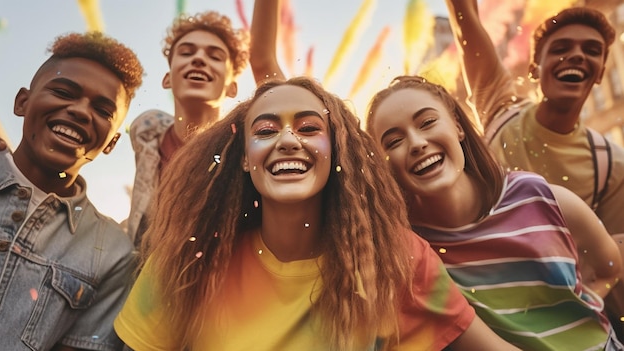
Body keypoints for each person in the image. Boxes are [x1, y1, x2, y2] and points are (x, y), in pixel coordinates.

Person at [114, 76, 520, 351]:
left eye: (309, 128)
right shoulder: (189, 260)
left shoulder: (397, 259)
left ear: (337, 151)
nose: (288, 140)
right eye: (267, 131)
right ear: (243, 159)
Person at [366, 75, 623, 350]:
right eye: (393, 141)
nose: (417, 143)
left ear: (457, 126)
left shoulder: (537, 196)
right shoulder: (408, 250)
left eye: (427, 122)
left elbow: (609, 266)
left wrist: (579, 311)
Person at [444, 1, 624, 337]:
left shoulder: (610, 165)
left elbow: (613, 263)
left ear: (601, 71)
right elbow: (463, 19)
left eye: (592, 50)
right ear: (533, 68)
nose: (577, 56)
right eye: (560, 48)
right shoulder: (500, 110)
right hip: (474, 317)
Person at [0, 32, 143, 350]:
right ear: (22, 102)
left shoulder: (112, 253)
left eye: (104, 111)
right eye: (63, 91)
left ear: (112, 143)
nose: (80, 111)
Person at [126, 11, 249, 246]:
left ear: (232, 88)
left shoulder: (243, 151)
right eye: (186, 52)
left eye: (215, 56)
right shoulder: (146, 132)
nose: (199, 59)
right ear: (167, 79)